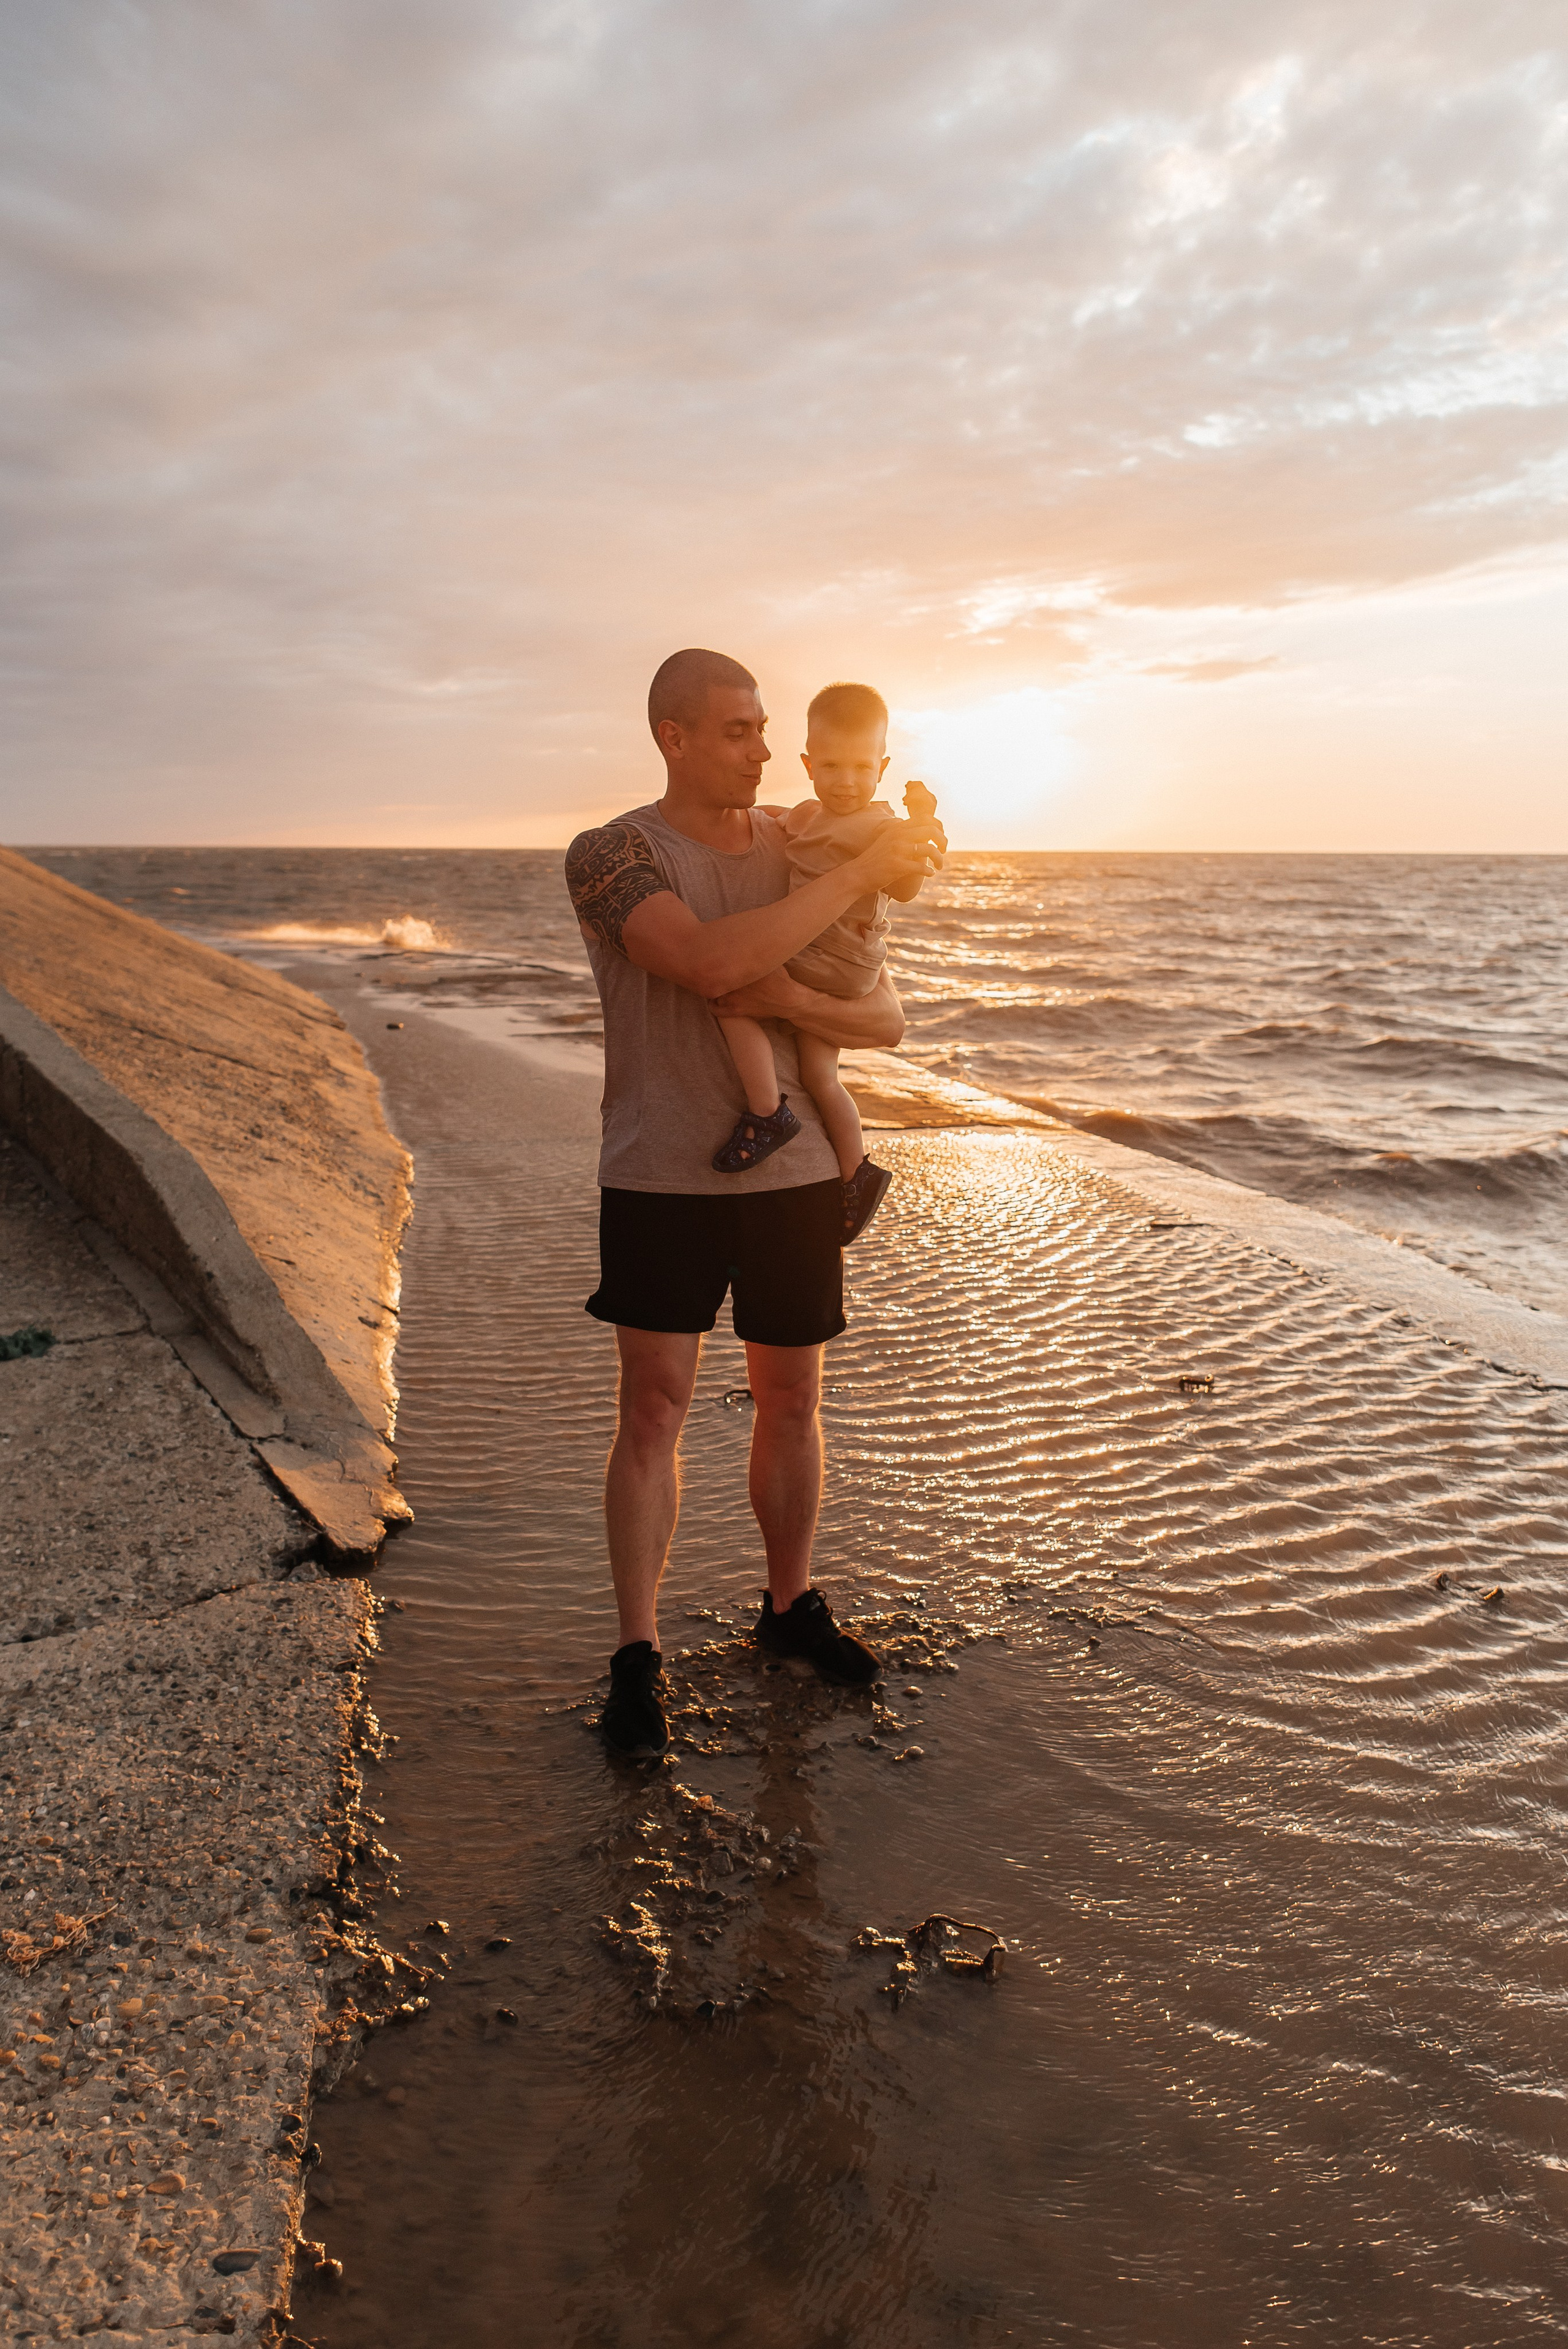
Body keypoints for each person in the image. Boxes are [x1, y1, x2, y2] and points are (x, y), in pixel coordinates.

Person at [564, 647, 943, 1759]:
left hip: (792, 1176)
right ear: (674, 738)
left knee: (793, 1401)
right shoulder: (614, 854)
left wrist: (881, 854)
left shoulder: (799, 838)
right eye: (738, 730)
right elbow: (707, 962)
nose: (765, 749)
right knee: (654, 1410)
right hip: (659, 1173)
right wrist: (860, 872)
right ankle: (638, 1653)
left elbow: (884, 1024)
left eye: (766, 728)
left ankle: (789, 1607)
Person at [710, 679, 941, 1248]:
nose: (847, 782)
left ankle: (767, 1111)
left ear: (882, 768)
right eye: (833, 766)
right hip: (837, 965)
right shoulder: (810, 814)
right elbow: (779, 820)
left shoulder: (880, 824)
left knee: (728, 989)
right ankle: (856, 1173)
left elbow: (907, 885)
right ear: (809, 765)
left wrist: (919, 824)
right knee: (820, 1076)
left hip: (831, 959)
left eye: (862, 768)